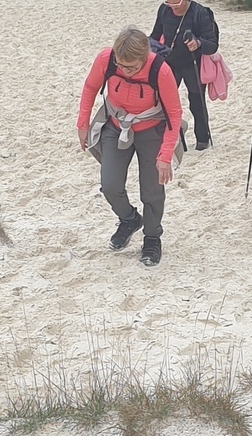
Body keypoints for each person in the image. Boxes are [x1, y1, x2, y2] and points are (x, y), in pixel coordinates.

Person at [77, 26, 182, 267]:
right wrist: (82, 124)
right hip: (115, 125)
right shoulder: (106, 59)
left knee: (152, 190)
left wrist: (165, 155)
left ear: (144, 58)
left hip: (151, 129)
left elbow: (174, 114)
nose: (125, 71)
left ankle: (152, 238)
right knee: (110, 184)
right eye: (121, 65)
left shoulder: (161, 71)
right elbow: (90, 87)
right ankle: (129, 219)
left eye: (132, 67)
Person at [148, 0, 217, 150]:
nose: (173, 7)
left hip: (193, 63)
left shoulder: (200, 13)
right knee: (164, 102)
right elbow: (155, 36)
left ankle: (202, 140)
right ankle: (172, 137)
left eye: (176, 4)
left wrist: (198, 43)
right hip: (170, 62)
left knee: (197, 103)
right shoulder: (164, 10)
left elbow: (212, 45)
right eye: (169, 3)